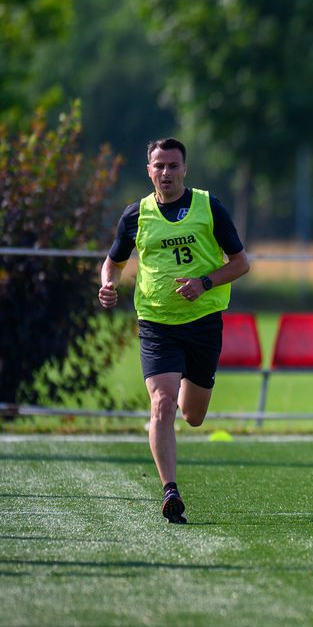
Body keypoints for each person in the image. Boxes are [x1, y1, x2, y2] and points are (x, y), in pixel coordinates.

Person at [98, 138, 250, 524]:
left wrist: (204, 282)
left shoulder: (208, 207)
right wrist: (108, 283)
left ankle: (185, 395)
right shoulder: (136, 215)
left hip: (202, 324)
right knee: (161, 403)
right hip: (156, 324)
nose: (165, 173)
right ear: (148, 170)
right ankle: (170, 492)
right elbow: (113, 262)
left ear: (185, 169)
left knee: (193, 415)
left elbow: (240, 263)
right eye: (159, 166)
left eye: (172, 166)